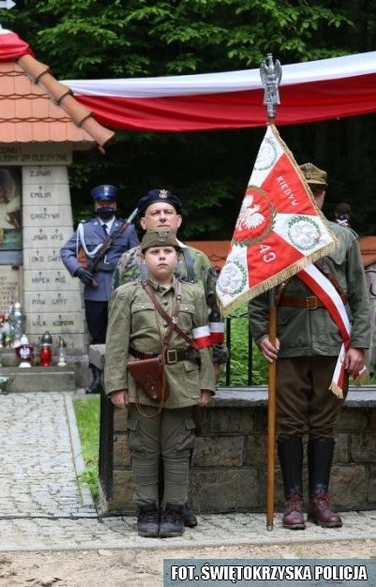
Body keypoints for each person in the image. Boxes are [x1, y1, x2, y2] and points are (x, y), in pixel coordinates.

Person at [249, 162, 370, 530]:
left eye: (315, 192)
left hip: (333, 344)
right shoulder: (273, 238)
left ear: (322, 195)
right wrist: (261, 335)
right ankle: (294, 500)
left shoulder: (344, 239)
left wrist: (359, 344)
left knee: (324, 425)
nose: (312, 198)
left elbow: (359, 299)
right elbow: (258, 298)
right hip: (288, 341)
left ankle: (320, 496)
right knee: (288, 424)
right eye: (304, 191)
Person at [112, 188, 227, 528]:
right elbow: (117, 340)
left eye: (168, 252)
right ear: (143, 256)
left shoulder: (193, 282)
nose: (162, 257)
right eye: (155, 252)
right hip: (142, 377)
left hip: (182, 376)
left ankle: (175, 508)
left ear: (177, 256)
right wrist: (115, 385)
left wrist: (208, 379)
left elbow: (205, 337)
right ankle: (147, 509)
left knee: (178, 447)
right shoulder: (126, 288)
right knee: (144, 447)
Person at [60, 184, 139, 394]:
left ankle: (120, 379)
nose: (105, 206)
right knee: (97, 336)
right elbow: (66, 251)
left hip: (120, 289)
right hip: (94, 290)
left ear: (115, 205)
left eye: (109, 203)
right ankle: (97, 379)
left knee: (123, 335)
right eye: (101, 203)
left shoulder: (127, 229)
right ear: (95, 205)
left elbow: (137, 256)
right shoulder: (84, 229)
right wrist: (78, 270)